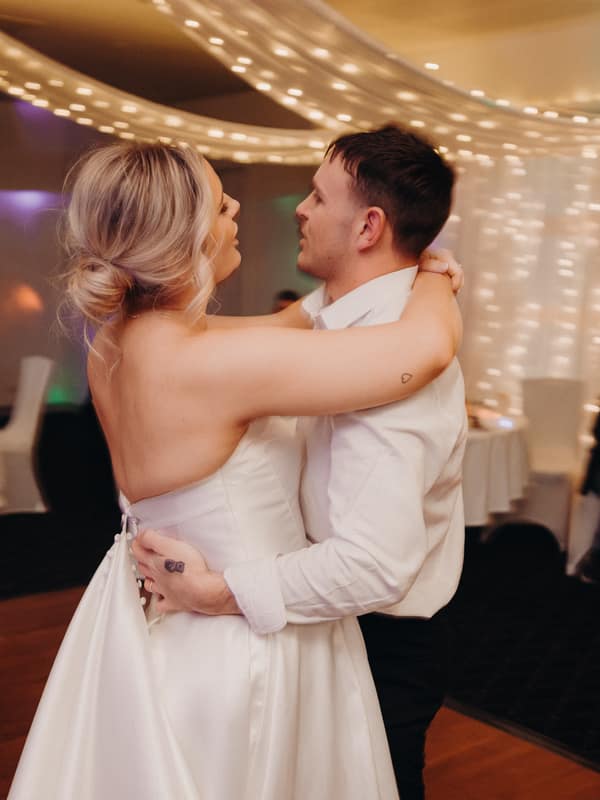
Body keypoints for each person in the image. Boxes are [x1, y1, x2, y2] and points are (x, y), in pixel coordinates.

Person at [8, 139, 461, 799]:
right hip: (236, 641)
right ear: (186, 239)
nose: (240, 208)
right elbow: (423, 349)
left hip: (150, 622)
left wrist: (367, 284)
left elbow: (287, 323)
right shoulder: (215, 367)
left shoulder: (118, 339)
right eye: (222, 206)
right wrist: (435, 279)